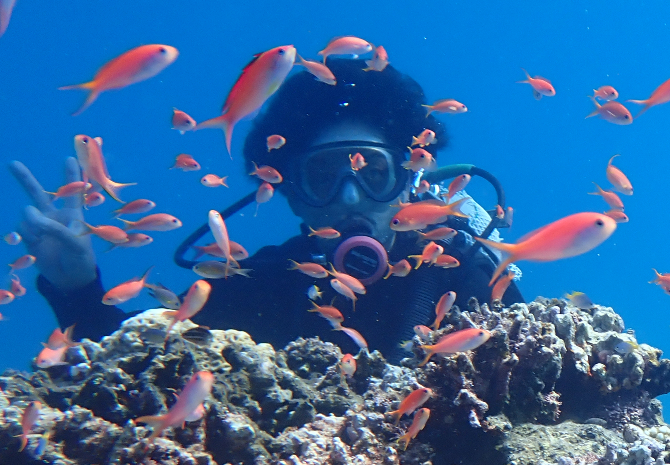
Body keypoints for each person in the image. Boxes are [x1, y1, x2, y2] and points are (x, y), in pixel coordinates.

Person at [10, 58, 519, 356]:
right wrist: (76, 289)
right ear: (289, 190)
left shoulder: (461, 275)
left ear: (409, 179)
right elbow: (139, 377)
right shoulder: (253, 287)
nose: (348, 197)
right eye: (321, 177)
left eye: (373, 174)